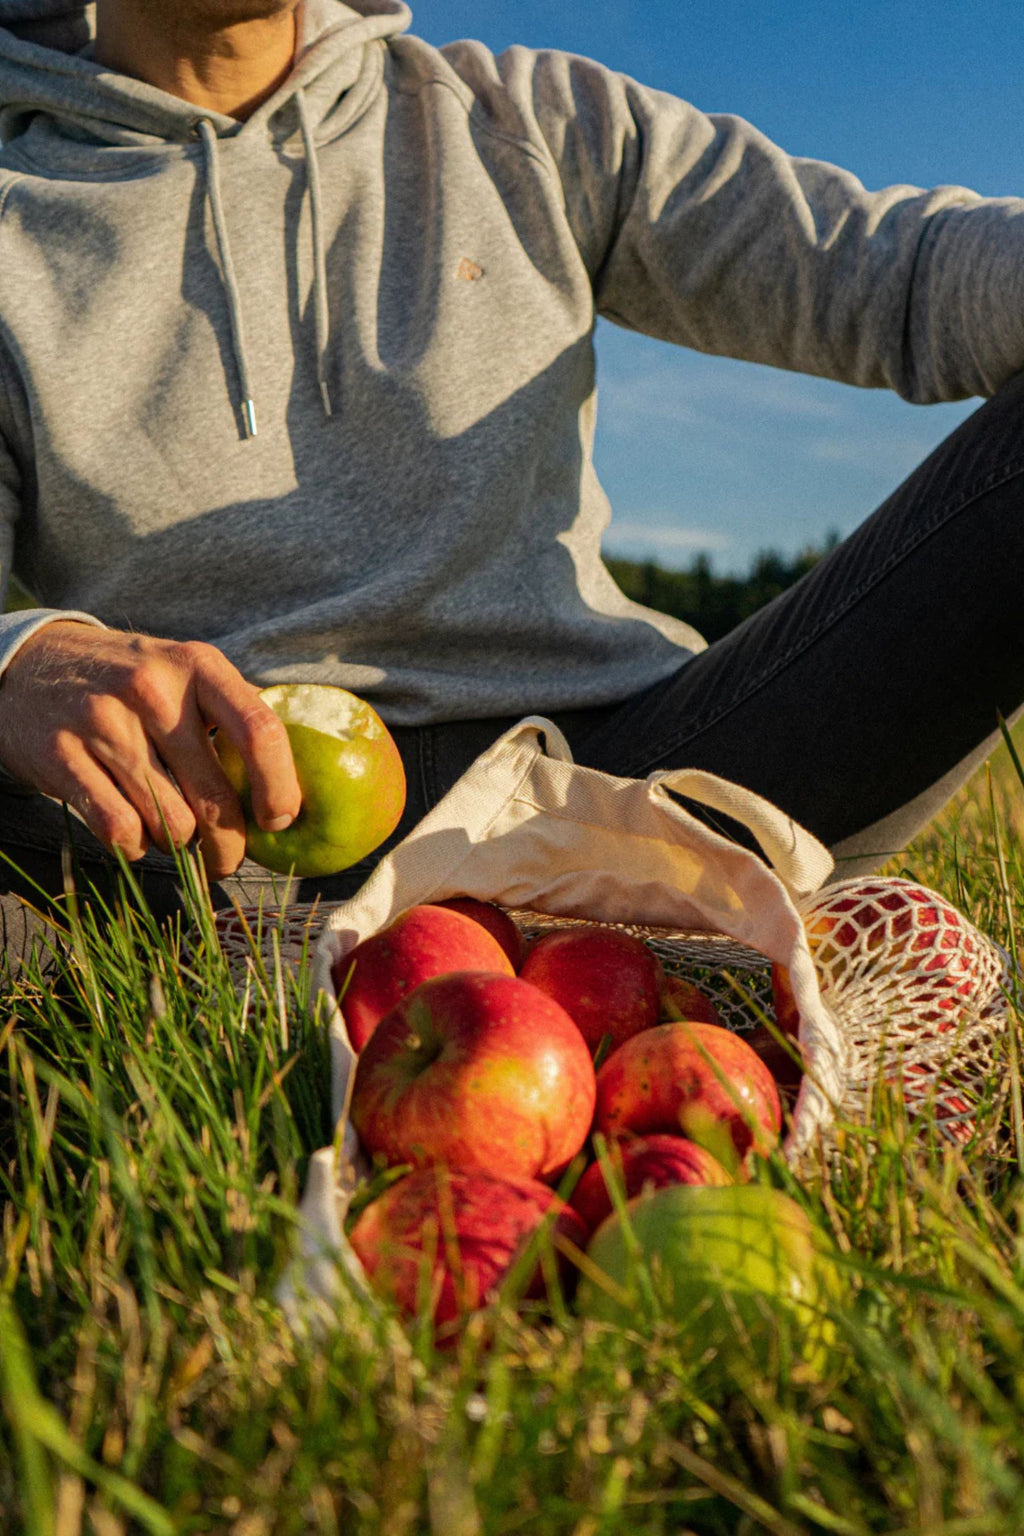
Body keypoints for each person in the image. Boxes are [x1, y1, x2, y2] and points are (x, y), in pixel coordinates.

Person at [0, 0, 1022, 954]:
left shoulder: (523, 121)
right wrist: (18, 663)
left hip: (632, 796)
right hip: (205, 844)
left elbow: (903, 273)